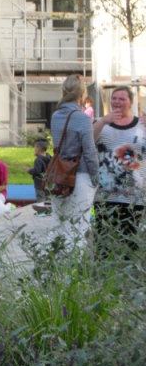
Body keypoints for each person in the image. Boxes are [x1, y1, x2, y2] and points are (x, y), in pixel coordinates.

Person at [92, 86, 146, 253]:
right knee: (103, 243)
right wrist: (103, 121)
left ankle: (129, 271)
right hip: (105, 196)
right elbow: (88, 143)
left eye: (122, 99)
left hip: (135, 196)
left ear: (131, 102)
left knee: (131, 244)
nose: (116, 102)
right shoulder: (101, 123)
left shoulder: (142, 125)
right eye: (114, 98)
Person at [50, 74, 99, 249]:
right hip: (81, 175)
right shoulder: (82, 118)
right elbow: (89, 151)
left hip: (59, 175)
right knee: (78, 225)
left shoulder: (55, 115)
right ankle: (73, 265)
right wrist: (96, 178)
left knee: (58, 224)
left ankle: (53, 262)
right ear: (82, 94)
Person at [24, 139, 52, 203]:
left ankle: (41, 208)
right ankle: (49, 208)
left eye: (35, 147)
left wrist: (29, 170)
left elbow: (37, 171)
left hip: (40, 184)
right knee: (48, 198)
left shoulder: (38, 160)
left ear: (37, 148)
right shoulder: (50, 157)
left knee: (40, 198)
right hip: (49, 183)